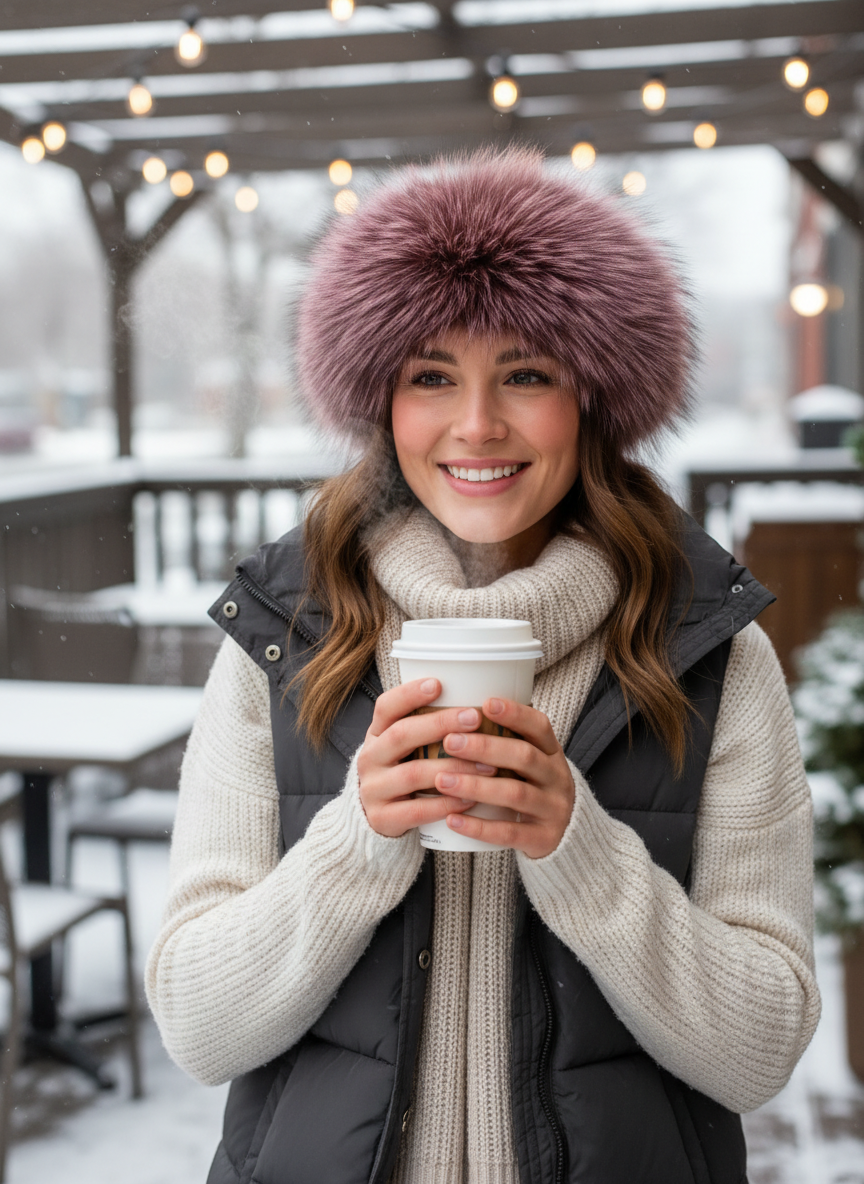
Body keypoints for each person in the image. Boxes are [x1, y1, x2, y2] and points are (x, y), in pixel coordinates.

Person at [146, 148, 820, 1184]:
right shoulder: (288, 643)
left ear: (592, 397)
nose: (476, 424)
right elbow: (198, 1022)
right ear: (381, 401)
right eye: (430, 375)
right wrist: (358, 841)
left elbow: (763, 1046)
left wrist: (580, 850)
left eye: (526, 373)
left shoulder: (709, 654)